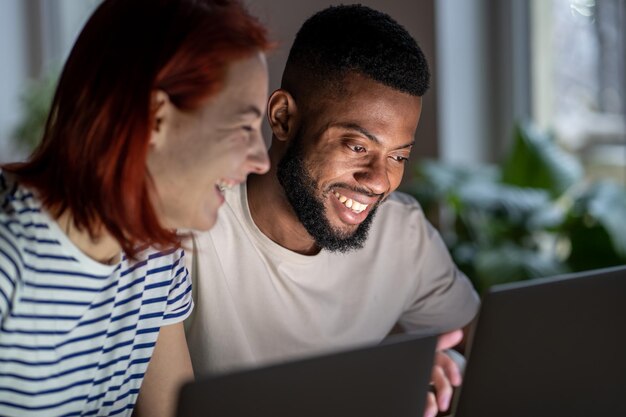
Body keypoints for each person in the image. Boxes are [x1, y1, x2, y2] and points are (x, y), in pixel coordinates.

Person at [185, 4, 480, 417]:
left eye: (398, 157)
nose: (379, 181)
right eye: (357, 147)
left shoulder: (401, 234)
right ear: (283, 118)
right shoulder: (190, 220)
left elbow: (485, 347)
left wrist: (452, 374)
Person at [0, 0, 271, 416]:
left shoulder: (158, 253)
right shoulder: (9, 257)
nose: (261, 159)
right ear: (155, 117)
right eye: (243, 128)